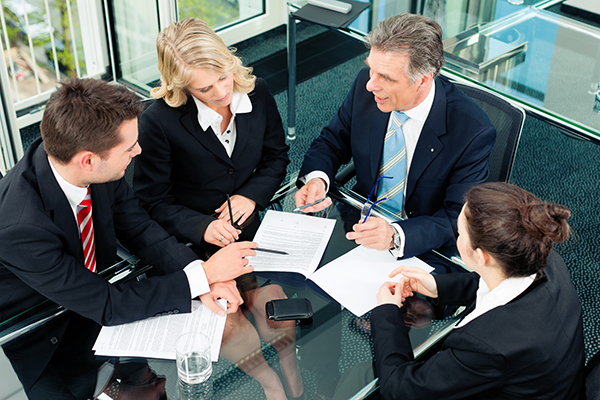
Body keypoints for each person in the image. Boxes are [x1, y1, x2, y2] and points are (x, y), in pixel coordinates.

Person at [0, 77, 256, 399]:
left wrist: (200, 277)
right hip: (43, 329)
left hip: (99, 296)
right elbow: (108, 304)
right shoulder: (20, 229)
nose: (139, 151)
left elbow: (138, 227)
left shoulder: (87, 163)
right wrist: (205, 274)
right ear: (88, 160)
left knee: (154, 390)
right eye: (129, 147)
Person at [132, 19, 302, 400]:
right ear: (181, 87)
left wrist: (251, 196)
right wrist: (202, 228)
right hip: (190, 241)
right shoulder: (157, 121)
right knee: (227, 321)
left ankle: (293, 374)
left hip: (248, 230)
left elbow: (277, 156)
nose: (223, 91)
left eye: (224, 77)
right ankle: (269, 384)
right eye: (205, 88)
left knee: (278, 311)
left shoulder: (257, 92)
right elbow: (150, 202)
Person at [295, 13, 496, 259]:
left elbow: (457, 215)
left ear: (423, 80)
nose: (371, 85)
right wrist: (317, 179)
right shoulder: (365, 87)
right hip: (360, 220)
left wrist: (395, 235)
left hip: (423, 244)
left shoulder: (472, 131)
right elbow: (332, 142)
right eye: (372, 70)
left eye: (386, 78)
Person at [371, 182, 585, 399]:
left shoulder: (483, 345)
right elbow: (496, 283)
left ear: (481, 256)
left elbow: (400, 389)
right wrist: (437, 287)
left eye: (460, 233)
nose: (457, 237)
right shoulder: (544, 257)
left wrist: (387, 312)